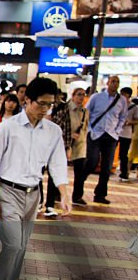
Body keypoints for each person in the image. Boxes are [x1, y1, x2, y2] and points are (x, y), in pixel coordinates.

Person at [0, 77, 70, 280]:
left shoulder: (53, 131)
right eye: (41, 104)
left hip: (34, 194)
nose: (45, 109)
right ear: (28, 101)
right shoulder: (7, 127)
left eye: (50, 105)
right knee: (13, 245)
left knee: (21, 248)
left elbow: (57, 163)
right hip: (8, 191)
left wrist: (63, 193)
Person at [73, 75, 129, 205]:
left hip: (111, 136)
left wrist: (117, 131)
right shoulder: (96, 97)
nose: (115, 84)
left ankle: (100, 194)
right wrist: (90, 130)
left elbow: (123, 117)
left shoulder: (122, 101)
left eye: (117, 82)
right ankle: (79, 186)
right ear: (107, 83)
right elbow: (86, 113)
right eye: (113, 81)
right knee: (92, 161)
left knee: (107, 167)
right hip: (95, 134)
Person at [48, 87, 88, 218]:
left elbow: (86, 127)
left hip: (80, 145)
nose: (81, 97)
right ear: (73, 95)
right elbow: (56, 125)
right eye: (79, 94)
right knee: (58, 170)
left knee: (81, 171)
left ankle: (77, 195)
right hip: (65, 144)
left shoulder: (85, 111)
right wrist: (68, 138)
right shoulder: (64, 108)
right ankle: (53, 198)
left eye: (83, 95)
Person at [116, 87, 136, 182]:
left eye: (124, 94)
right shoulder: (117, 104)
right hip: (115, 132)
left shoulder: (134, 107)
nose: (122, 96)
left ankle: (124, 173)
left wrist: (129, 122)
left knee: (123, 154)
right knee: (110, 151)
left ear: (128, 95)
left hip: (126, 133)